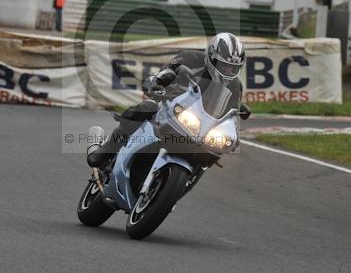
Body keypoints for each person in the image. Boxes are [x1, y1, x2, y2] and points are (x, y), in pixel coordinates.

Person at [87, 32, 246, 170]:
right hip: (171, 106)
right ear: (211, 56)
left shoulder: (235, 86)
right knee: (145, 108)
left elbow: (231, 114)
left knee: (211, 152)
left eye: (233, 67)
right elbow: (165, 72)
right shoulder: (190, 58)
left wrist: (233, 135)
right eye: (223, 65)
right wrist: (155, 83)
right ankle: (104, 152)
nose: (227, 70)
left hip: (201, 126)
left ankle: (179, 185)